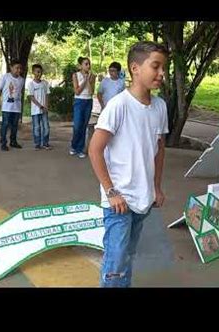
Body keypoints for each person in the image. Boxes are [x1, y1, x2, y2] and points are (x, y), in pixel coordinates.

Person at [88, 41, 169, 287]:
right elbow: (95, 149)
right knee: (116, 259)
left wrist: (156, 187)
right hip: (118, 202)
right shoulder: (118, 106)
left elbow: (159, 149)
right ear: (135, 68)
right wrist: (111, 192)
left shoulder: (160, 106)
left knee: (127, 256)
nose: (161, 74)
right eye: (155, 67)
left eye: (164, 68)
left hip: (142, 198)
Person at [70, 57, 95, 159]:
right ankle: (73, 146)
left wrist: (89, 80)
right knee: (77, 125)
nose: (88, 66)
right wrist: (85, 80)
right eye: (86, 64)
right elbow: (77, 91)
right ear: (80, 65)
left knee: (84, 126)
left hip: (88, 101)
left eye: (89, 64)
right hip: (79, 101)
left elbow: (91, 92)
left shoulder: (92, 76)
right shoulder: (75, 75)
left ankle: (80, 149)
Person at [0, 59, 25, 151]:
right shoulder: (5, 77)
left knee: (15, 125)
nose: (19, 70)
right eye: (16, 68)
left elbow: (20, 93)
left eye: (20, 68)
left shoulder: (21, 80)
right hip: (6, 107)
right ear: (11, 68)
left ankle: (13, 141)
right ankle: (3, 143)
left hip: (16, 107)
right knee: (5, 124)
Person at [27, 64, 51, 150]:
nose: (39, 73)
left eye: (40, 72)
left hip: (44, 110)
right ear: (33, 72)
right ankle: (37, 144)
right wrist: (40, 106)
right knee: (36, 127)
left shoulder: (45, 83)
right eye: (37, 71)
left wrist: (46, 106)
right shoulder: (31, 84)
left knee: (46, 127)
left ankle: (45, 143)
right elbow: (31, 97)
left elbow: (47, 95)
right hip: (35, 110)